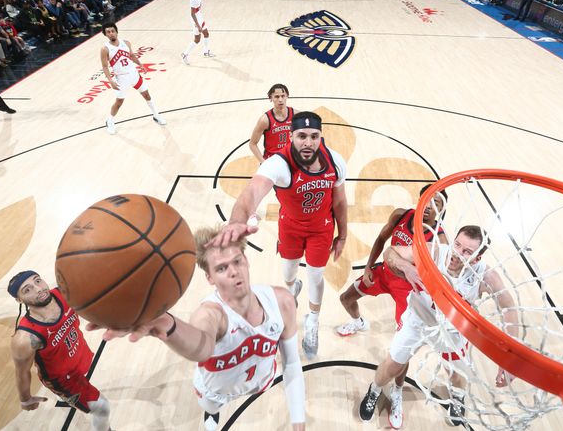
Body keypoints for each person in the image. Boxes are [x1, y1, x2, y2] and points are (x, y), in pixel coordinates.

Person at [88, 225, 305, 431]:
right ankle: (212, 415)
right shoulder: (210, 314)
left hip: (262, 379)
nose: (233, 272)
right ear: (210, 278)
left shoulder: (282, 301)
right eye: (222, 268)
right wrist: (168, 325)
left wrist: (298, 420)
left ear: (246, 260)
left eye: (237, 261)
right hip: (215, 394)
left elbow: (292, 362)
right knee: (210, 409)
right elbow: (200, 347)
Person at [209, 111, 348, 359]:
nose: (308, 142)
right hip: (291, 227)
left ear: (321, 136)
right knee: (288, 274)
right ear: (291, 136)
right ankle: (292, 288)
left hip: (321, 227)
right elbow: (249, 195)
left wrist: (343, 235)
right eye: (302, 136)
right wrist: (235, 226)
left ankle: (313, 320)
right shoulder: (278, 163)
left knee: (316, 275)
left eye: (314, 136)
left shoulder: (335, 161)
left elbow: (339, 202)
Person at [358, 226, 517, 429]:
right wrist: (405, 267)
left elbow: (509, 309)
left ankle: (458, 397)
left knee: (455, 375)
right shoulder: (434, 252)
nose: (457, 253)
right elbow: (391, 251)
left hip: (452, 329)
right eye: (457, 244)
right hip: (417, 319)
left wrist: (510, 358)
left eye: (467, 252)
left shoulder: (486, 277)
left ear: (477, 258)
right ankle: (375, 389)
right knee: (393, 365)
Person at [336, 186, 448, 336]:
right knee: (345, 298)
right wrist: (368, 267)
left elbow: (439, 276)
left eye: (435, 203)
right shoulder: (401, 215)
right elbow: (382, 239)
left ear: (441, 209)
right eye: (426, 200)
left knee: (402, 335)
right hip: (384, 273)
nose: (428, 206)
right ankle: (358, 323)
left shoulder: (439, 240)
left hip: (408, 288)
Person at [8, 271, 112, 431]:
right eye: (27, 290)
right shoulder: (25, 338)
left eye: (38, 281)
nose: (38, 289)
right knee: (102, 408)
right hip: (63, 380)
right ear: (19, 300)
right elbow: (22, 372)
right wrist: (25, 399)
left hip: (79, 354)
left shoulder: (64, 293)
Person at [100, 22, 166, 134]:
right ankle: (109, 121)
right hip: (121, 78)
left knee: (147, 95)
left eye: (112, 31)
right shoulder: (105, 49)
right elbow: (105, 66)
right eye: (108, 32)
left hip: (134, 74)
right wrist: (110, 80)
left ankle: (156, 115)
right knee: (119, 102)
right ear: (105, 34)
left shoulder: (126, 43)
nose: (111, 33)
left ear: (116, 31)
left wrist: (140, 65)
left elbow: (131, 56)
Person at [248, 83, 297, 163]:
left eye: (283, 96)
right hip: (271, 160)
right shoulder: (265, 120)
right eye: (277, 97)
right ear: (271, 98)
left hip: (289, 158)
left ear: (287, 96)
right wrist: (263, 162)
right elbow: (252, 144)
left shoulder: (295, 115)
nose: (280, 100)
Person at [181, 0, 214, 64]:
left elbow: (197, 11)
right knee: (197, 40)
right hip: (196, 20)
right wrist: (198, 25)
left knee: (206, 34)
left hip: (199, 17)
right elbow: (192, 14)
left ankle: (206, 51)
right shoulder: (193, 0)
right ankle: (185, 54)